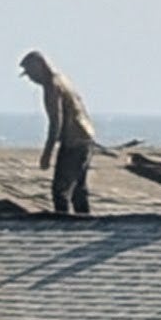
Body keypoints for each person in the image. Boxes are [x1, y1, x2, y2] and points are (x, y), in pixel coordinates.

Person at [19, 50, 98, 216]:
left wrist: (47, 154)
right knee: (78, 189)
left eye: (31, 73)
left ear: (40, 67)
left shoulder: (52, 86)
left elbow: (56, 122)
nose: (31, 79)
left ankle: (64, 226)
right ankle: (84, 221)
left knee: (60, 190)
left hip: (75, 142)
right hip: (85, 137)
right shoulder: (62, 80)